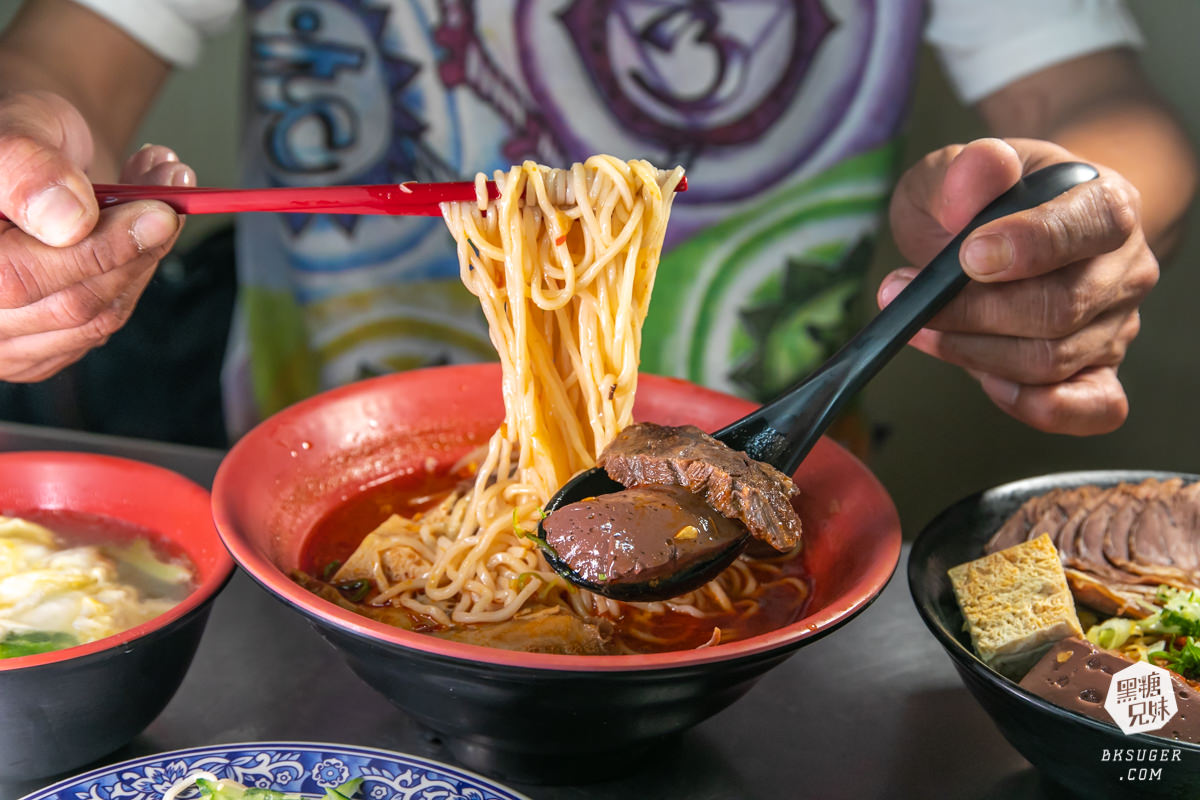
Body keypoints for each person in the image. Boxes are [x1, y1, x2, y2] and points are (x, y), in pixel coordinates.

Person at [0, 0, 1193, 445]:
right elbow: (78, 61)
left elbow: (1088, 100)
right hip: (309, 446)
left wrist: (1068, 212)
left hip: (755, 461)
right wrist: (34, 173)